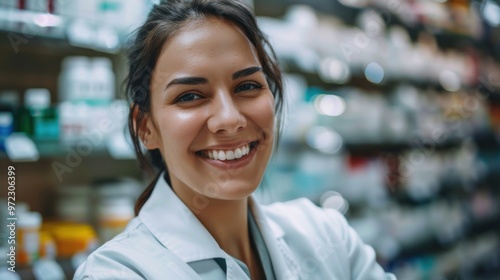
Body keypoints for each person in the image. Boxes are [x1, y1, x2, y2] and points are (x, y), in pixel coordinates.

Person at [75, 0, 396, 279]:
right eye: (189, 96)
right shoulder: (119, 272)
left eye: (247, 87)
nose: (229, 119)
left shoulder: (327, 237)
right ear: (145, 127)